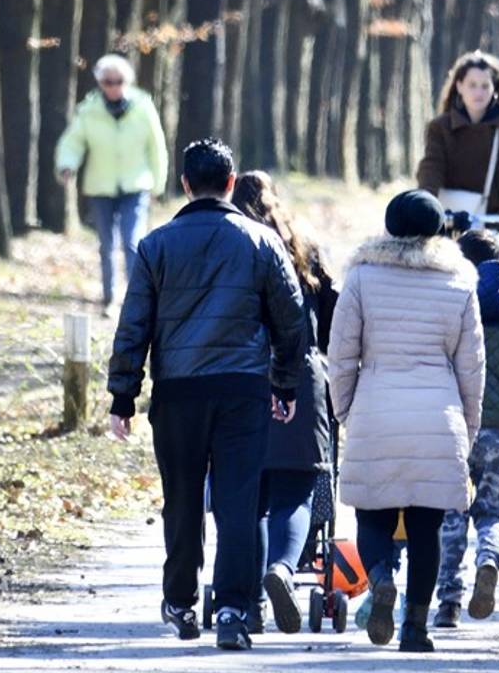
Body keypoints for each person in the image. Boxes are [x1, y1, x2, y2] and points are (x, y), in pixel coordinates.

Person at [107, 139, 307, 652]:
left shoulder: (155, 246)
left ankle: (180, 603)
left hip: (177, 392)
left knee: (183, 499)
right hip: (243, 388)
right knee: (239, 502)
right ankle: (236, 611)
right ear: (233, 181)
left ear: (184, 185)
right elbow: (293, 324)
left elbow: (134, 327)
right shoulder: (262, 243)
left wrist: (123, 397)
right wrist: (283, 383)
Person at [328, 190, 486, 653]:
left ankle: (379, 580)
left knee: (371, 515)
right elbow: (471, 368)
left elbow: (342, 356)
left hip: (375, 409)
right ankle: (417, 628)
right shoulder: (459, 283)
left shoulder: (361, 278)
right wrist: (467, 430)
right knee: (426, 529)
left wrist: (346, 412)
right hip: (438, 416)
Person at [232, 171, 338, 637]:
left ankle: (252, 597)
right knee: (294, 491)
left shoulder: (232, 247)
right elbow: (332, 312)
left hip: (243, 376)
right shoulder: (303, 246)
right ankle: (283, 569)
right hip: (303, 377)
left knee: (249, 496)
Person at [434, 230, 499, 629]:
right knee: (492, 510)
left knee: (452, 514)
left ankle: (448, 603)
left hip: (455, 425)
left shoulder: (449, 303)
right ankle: (489, 558)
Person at [55, 54, 168, 317]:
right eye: (108, 81)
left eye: (119, 81)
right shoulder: (88, 110)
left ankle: (136, 298)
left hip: (136, 185)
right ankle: (109, 298)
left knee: (132, 242)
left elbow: (157, 148)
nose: (114, 86)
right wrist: (67, 164)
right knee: (106, 244)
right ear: (100, 82)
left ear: (127, 81)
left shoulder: (143, 107)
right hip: (101, 186)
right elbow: (73, 142)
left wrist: (157, 184)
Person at [417, 51, 499, 224]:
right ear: (459, 86)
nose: (478, 92)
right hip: (449, 219)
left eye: (485, 86)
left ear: (494, 88)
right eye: (472, 85)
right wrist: (425, 200)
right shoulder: (440, 127)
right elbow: (432, 165)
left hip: (492, 220)